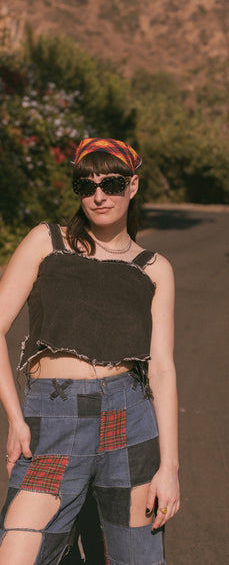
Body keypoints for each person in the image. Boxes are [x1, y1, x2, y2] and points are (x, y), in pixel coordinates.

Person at [0, 137, 180, 563]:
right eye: (86, 186)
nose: (98, 196)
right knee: (17, 552)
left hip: (131, 422)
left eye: (112, 184)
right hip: (54, 419)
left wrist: (169, 467)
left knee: (133, 557)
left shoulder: (154, 269)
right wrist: (14, 418)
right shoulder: (48, 242)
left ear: (132, 186)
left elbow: (163, 371)